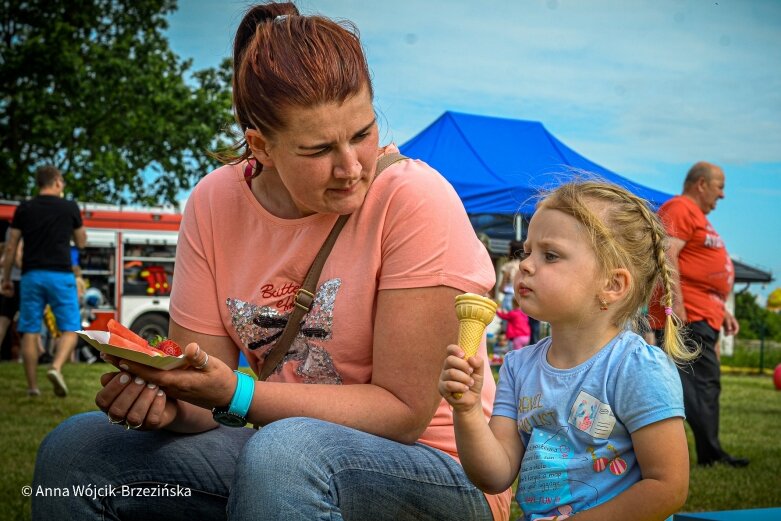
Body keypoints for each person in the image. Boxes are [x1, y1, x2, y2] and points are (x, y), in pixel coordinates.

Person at [32, 4, 511, 521]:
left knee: (284, 454)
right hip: (282, 458)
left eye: (362, 133)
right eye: (318, 149)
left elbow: (402, 414)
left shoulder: (415, 199)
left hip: (442, 469)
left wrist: (236, 393)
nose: (351, 168)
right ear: (261, 145)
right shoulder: (214, 202)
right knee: (76, 451)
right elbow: (203, 395)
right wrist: (169, 399)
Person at [440, 180, 693, 520]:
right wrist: (468, 411)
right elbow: (495, 475)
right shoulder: (518, 367)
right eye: (526, 252)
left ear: (612, 285)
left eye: (550, 255)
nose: (526, 265)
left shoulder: (635, 367)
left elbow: (668, 487)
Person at [648, 161, 748, 468]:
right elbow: (666, 252)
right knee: (699, 384)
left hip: (703, 314)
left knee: (704, 383)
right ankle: (710, 454)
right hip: (687, 316)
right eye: (720, 186)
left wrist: (721, 308)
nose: (723, 195)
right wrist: (675, 303)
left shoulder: (697, 217)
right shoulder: (680, 208)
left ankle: (710, 452)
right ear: (701, 184)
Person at [1, 166, 86, 397]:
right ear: (57, 182)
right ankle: (56, 367)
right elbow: (81, 242)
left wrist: (6, 278)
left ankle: (32, 388)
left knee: (30, 331)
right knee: (71, 328)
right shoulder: (70, 207)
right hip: (61, 275)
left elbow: (11, 247)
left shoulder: (24, 208)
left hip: (31, 276)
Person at [0, 224, 23, 361]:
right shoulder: (28, 227)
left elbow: (9, 252)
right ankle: (28, 357)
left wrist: (6, 278)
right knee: (29, 323)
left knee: (4, 319)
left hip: (11, 280)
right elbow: (17, 254)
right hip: (22, 281)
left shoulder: (11, 229)